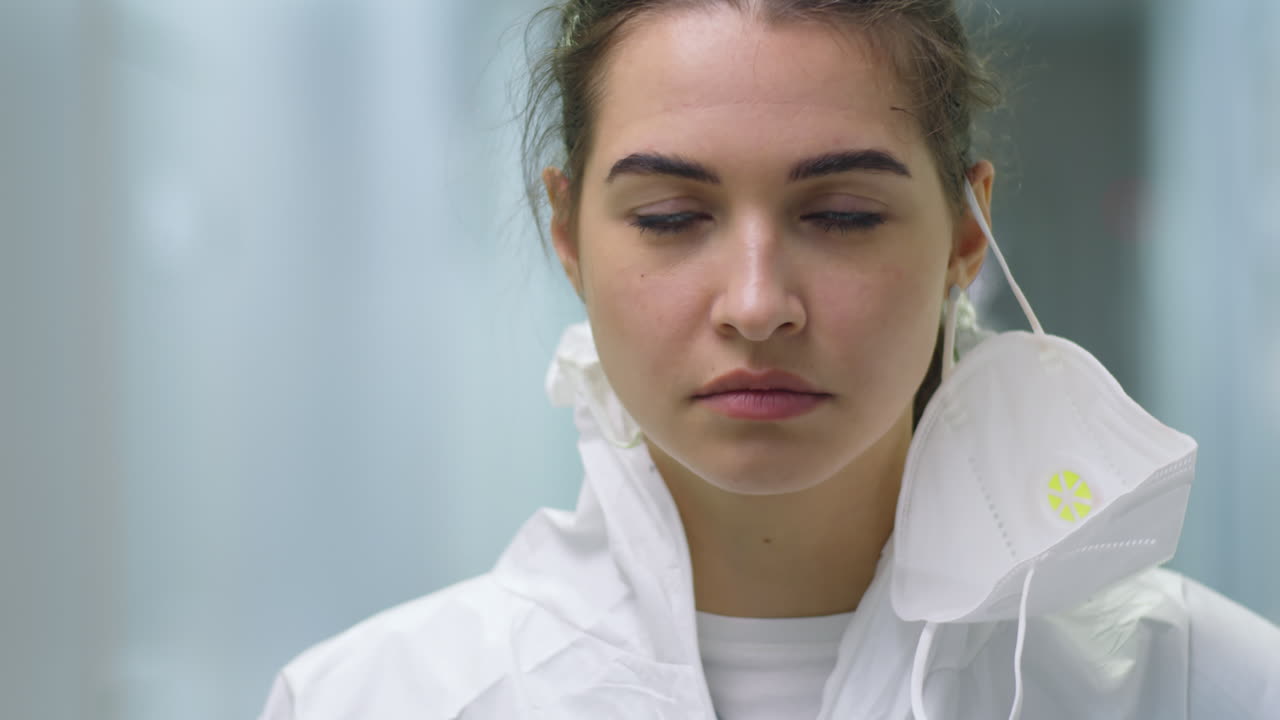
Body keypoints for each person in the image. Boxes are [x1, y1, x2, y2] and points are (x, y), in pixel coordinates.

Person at [258, 1, 1280, 718]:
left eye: (839, 215)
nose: (756, 304)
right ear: (566, 234)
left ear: (965, 239)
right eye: (669, 217)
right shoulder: (373, 701)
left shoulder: (1201, 688)